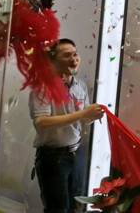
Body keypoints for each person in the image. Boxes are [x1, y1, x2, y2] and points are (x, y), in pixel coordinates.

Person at [29, 38, 104, 213]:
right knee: (57, 208)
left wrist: (93, 116)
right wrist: (83, 114)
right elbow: (41, 122)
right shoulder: (42, 86)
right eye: (67, 55)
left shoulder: (80, 86)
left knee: (74, 207)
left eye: (75, 54)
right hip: (52, 158)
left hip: (76, 154)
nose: (74, 59)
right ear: (53, 60)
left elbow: (82, 119)